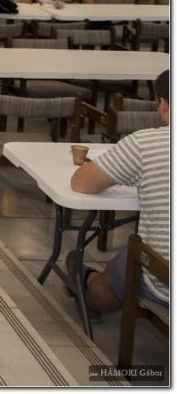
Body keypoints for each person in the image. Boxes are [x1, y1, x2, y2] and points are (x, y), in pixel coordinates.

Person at [69, 70, 169, 317]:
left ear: (163, 105)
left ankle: (85, 281)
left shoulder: (145, 144)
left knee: (125, 265)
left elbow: (82, 182)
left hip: (165, 282)